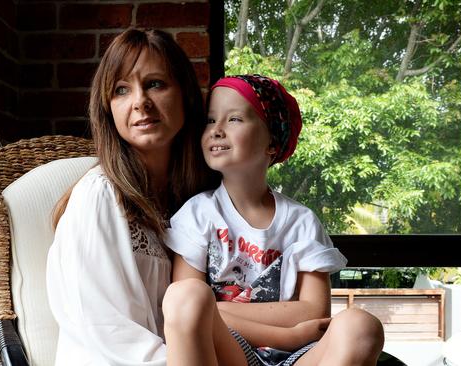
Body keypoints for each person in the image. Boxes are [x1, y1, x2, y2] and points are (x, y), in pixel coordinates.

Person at [163, 74, 385, 365]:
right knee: (184, 296)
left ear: (271, 141)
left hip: (298, 359)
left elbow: (313, 314)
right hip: (230, 352)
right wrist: (288, 335)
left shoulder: (301, 222)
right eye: (210, 120)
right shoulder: (198, 214)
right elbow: (187, 309)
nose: (216, 130)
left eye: (234, 119)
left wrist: (219, 310)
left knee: (361, 326)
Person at [46, 28, 218, 365]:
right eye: (122, 90)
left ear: (185, 95)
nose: (140, 101)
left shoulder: (193, 202)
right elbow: (107, 330)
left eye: (155, 83)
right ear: (108, 109)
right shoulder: (99, 197)